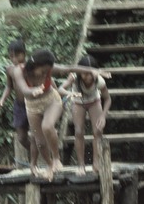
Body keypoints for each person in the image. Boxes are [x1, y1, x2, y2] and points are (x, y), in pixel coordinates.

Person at [9, 49, 110, 181]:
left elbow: (69, 68)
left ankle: (57, 158)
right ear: (36, 65)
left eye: (47, 72)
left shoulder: (49, 68)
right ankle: (50, 164)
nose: (45, 74)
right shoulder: (19, 71)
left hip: (51, 100)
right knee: (39, 141)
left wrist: (93, 70)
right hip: (32, 105)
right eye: (43, 71)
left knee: (47, 126)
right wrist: (33, 90)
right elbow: (23, 89)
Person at [58, 55, 111, 175]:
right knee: (78, 132)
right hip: (78, 103)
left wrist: (103, 115)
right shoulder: (74, 77)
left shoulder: (100, 81)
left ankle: (96, 163)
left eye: (89, 73)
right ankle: (81, 165)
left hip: (94, 102)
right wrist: (70, 93)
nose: (87, 77)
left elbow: (107, 99)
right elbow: (60, 89)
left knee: (98, 131)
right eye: (84, 73)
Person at [0, 39, 38, 167]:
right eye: (11, 57)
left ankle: (34, 163)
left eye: (18, 55)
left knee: (35, 135)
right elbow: (9, 86)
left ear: (24, 54)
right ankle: (35, 151)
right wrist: (2, 99)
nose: (15, 59)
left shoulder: (30, 67)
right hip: (19, 106)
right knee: (21, 138)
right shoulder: (10, 70)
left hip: (33, 104)